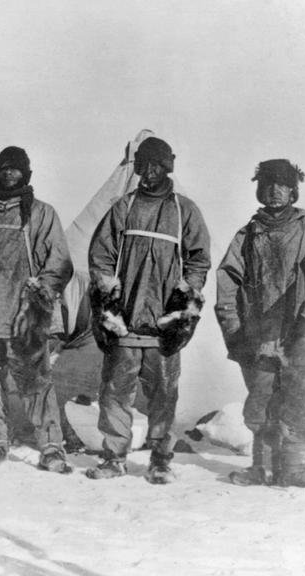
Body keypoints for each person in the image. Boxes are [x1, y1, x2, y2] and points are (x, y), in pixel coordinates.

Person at [86, 137, 211, 483]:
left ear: (167, 167)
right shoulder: (123, 207)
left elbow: (199, 259)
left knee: (164, 393)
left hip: (163, 322)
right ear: (138, 167)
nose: (150, 171)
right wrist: (107, 294)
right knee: (115, 390)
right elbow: (100, 256)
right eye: (145, 164)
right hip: (125, 320)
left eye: (157, 164)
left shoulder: (184, 210)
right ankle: (114, 456)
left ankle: (160, 458)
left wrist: (185, 296)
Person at [215, 159, 305, 489]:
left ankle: (295, 469)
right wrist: (234, 328)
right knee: (261, 403)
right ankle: (261, 468)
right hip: (259, 336)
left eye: (282, 184)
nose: (274, 190)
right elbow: (227, 282)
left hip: (301, 334)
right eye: (268, 183)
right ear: (259, 189)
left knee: (302, 400)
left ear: (293, 190)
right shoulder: (247, 236)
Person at [0, 146, 74, 473]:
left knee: (35, 383)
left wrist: (39, 294)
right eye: (3, 168)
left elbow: (60, 263)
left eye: (15, 169)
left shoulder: (41, 214)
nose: (8, 173)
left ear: (26, 173)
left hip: (24, 315)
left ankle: (51, 448)